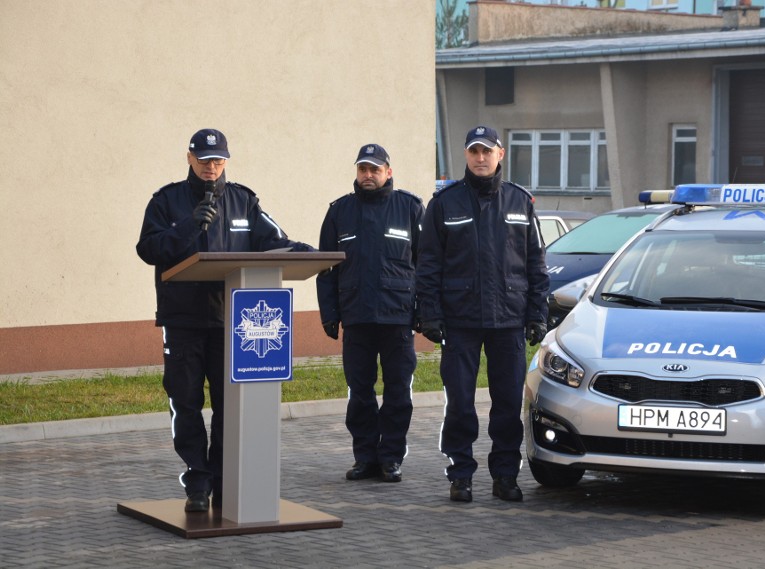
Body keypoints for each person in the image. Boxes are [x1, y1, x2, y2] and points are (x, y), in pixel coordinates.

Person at [136, 128, 313, 512]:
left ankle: (220, 478)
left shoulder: (243, 201)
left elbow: (273, 240)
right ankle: (196, 481)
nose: (211, 168)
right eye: (204, 161)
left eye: (218, 161)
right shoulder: (166, 202)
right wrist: (186, 227)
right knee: (185, 403)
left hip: (230, 322)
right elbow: (147, 248)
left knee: (228, 407)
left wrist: (306, 252)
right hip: (182, 320)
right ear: (189, 159)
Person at [416, 126, 549, 503]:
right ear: (466, 155)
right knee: (459, 403)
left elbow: (537, 265)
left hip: (508, 321)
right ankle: (460, 474)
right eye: (473, 151)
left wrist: (537, 313)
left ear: (500, 154)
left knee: (507, 404)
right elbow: (427, 266)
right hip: (460, 322)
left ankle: (505, 476)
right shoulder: (444, 204)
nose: (480, 157)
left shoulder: (520, 202)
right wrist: (431, 314)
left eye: (486, 151)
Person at [316, 143, 424, 483]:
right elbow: (326, 269)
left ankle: (391, 457)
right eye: (363, 169)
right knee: (359, 393)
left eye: (374, 170)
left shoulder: (409, 208)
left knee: (397, 393)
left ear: (388, 172)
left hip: (397, 319)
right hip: (357, 317)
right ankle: (365, 457)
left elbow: (426, 264)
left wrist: (422, 312)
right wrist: (329, 314)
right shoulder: (339, 212)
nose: (368, 175)